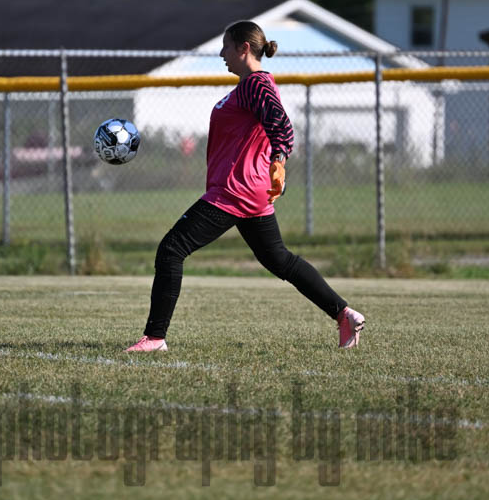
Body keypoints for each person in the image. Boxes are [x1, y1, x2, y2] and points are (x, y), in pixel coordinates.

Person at [125, 20, 365, 352]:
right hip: (249, 191)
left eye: (226, 47)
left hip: (233, 191)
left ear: (244, 48)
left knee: (171, 250)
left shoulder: (255, 83)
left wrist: (280, 159)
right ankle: (344, 315)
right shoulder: (246, 86)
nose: (222, 54)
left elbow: (280, 122)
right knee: (279, 260)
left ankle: (154, 338)